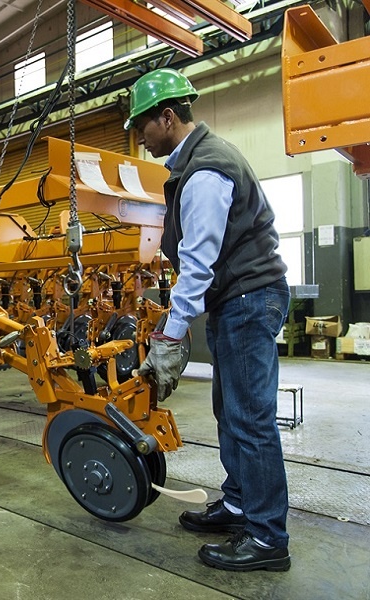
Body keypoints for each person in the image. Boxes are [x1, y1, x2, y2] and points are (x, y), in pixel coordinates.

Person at [127, 69, 291, 572]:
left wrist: (170, 336)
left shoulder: (204, 171)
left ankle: (266, 538)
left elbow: (198, 263)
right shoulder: (197, 162)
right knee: (232, 412)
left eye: (143, 127)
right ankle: (241, 504)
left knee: (250, 419)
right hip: (237, 301)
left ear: (167, 117)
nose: (140, 137)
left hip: (246, 298)